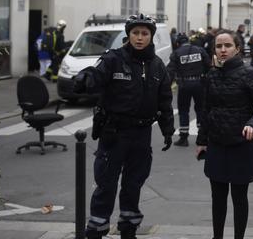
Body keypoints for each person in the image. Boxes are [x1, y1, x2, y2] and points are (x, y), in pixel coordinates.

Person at [72, 14, 176, 239]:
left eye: (144, 33)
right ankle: (96, 231)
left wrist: (168, 129)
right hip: (114, 133)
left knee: (133, 185)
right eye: (136, 33)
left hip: (141, 134)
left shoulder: (157, 65)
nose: (140, 38)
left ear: (151, 36)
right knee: (106, 185)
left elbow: (165, 100)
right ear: (129, 35)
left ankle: (128, 229)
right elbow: (95, 74)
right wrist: (84, 78)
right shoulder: (114, 58)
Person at [196, 30, 253, 239]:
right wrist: (202, 140)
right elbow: (206, 109)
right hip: (217, 144)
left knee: (239, 198)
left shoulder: (250, 73)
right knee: (217, 197)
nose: (222, 50)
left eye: (227, 46)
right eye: (218, 46)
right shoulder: (211, 75)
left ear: (237, 49)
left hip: (241, 144)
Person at [167, 34, 212, 147]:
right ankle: (202, 136)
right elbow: (209, 65)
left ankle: (183, 138)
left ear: (178, 43)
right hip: (199, 84)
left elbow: (170, 71)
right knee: (201, 109)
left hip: (184, 85)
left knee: (183, 110)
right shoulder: (200, 50)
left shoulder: (176, 53)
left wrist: (165, 87)